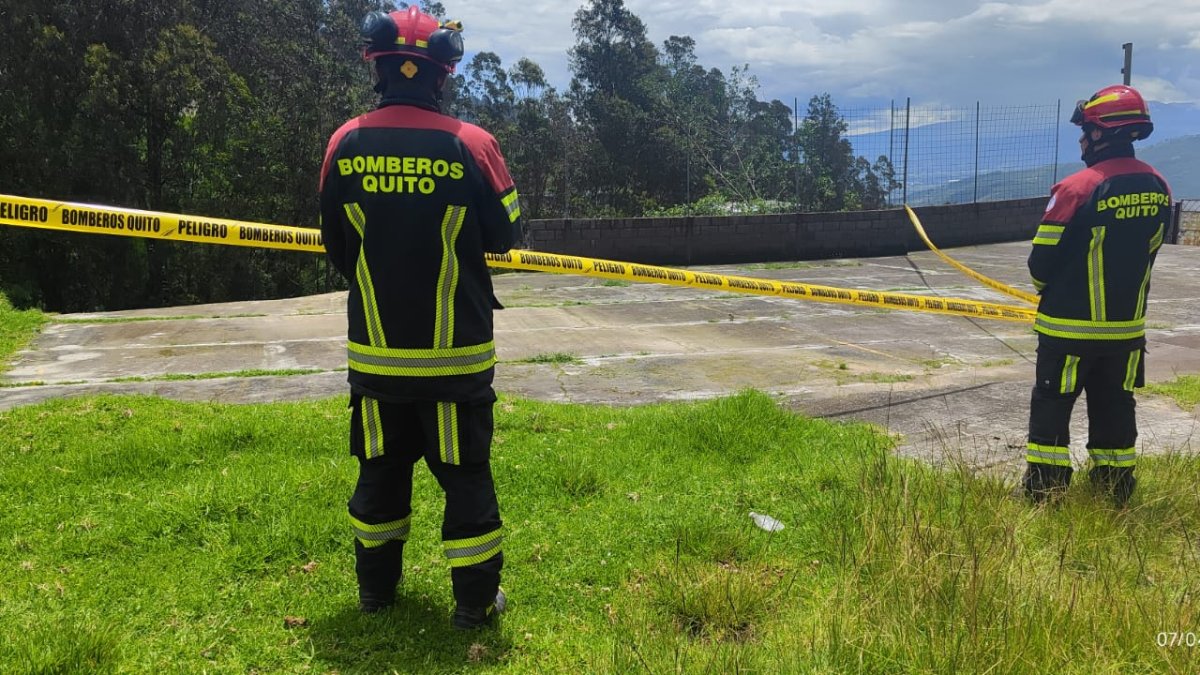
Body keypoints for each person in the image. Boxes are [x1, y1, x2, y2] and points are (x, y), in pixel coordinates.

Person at [318, 6, 522, 629]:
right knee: (464, 479)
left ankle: (376, 595)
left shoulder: (344, 142)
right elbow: (508, 234)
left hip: (377, 359)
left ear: (376, 68)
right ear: (442, 75)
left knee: (379, 475)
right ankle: (473, 606)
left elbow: (335, 246)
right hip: (456, 361)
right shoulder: (473, 144)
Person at [1023, 84, 1172, 507]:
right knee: (1115, 410)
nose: (1081, 139)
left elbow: (1040, 265)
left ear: (1103, 132)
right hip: (1126, 334)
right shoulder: (1159, 187)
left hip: (1067, 332)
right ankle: (1115, 493)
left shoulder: (1075, 189)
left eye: (1086, 130)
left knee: (1052, 410)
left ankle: (1047, 493)